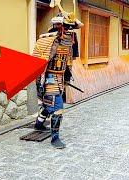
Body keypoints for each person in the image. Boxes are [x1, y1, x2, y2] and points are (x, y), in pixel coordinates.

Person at [33, 7, 83, 148]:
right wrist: (42, 81)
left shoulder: (69, 39)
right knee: (57, 106)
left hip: (59, 78)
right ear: (58, 25)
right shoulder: (48, 40)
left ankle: (38, 124)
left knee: (48, 104)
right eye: (66, 26)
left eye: (70, 27)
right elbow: (41, 63)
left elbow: (67, 60)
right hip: (49, 77)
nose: (69, 30)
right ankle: (55, 138)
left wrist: (66, 76)